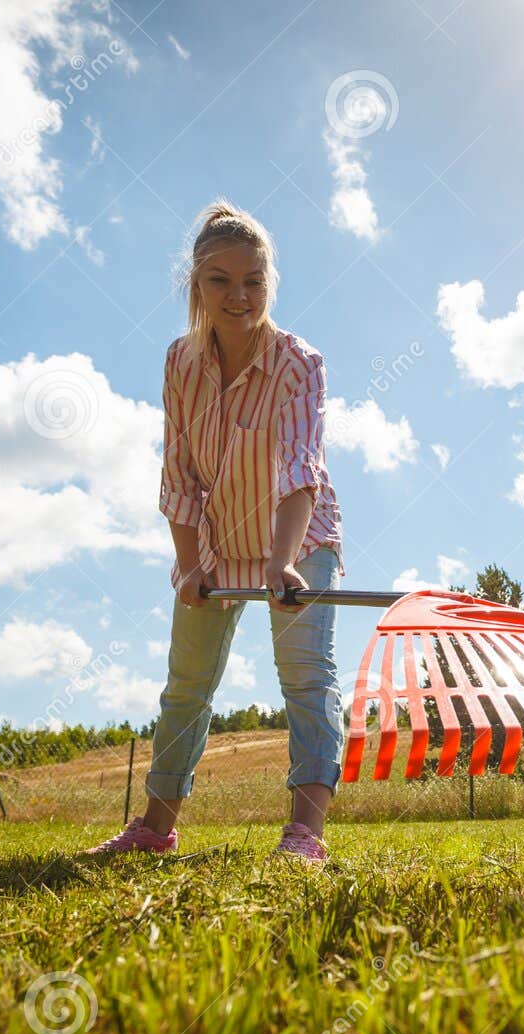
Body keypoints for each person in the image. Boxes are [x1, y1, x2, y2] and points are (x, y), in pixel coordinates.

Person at [84, 201, 345, 862]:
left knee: (306, 679)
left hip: (299, 537)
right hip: (219, 539)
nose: (239, 295)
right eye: (220, 279)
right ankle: (155, 827)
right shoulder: (180, 363)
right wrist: (188, 564)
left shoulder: (298, 363)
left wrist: (283, 563)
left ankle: (304, 834)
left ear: (271, 282)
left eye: (254, 279)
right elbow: (179, 474)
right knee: (187, 685)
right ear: (194, 285)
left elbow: (298, 467)